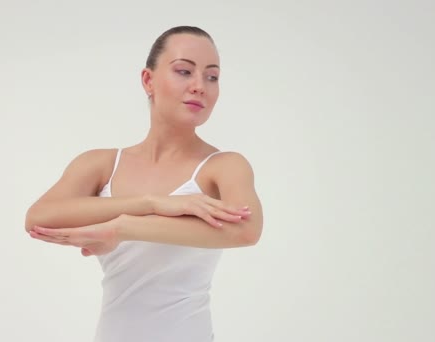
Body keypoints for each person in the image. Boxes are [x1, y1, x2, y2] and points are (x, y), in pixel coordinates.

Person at [25, 26, 263, 342]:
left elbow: (246, 231)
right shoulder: (101, 164)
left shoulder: (224, 166)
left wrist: (122, 228)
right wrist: (150, 203)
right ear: (148, 81)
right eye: (184, 71)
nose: (199, 86)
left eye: (212, 77)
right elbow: (38, 218)